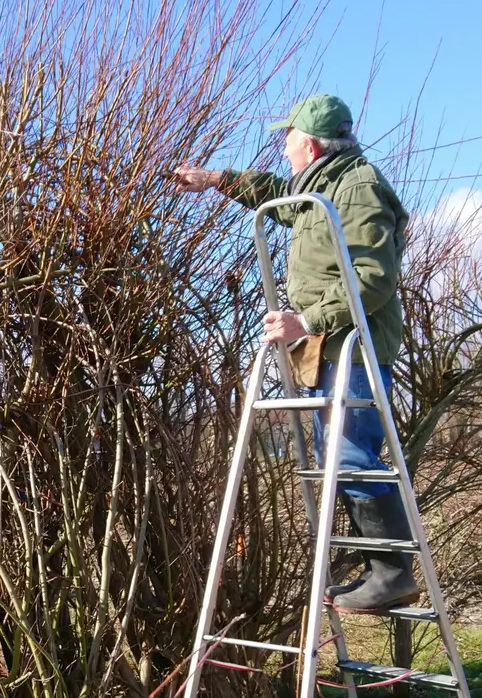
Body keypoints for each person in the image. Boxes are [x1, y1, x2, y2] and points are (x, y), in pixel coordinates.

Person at [174, 93, 416, 613]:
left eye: (287, 139)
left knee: (349, 457)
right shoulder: (326, 187)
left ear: (308, 143)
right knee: (338, 461)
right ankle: (370, 562)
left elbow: (372, 280)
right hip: (329, 347)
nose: (283, 148)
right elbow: (280, 195)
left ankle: (392, 572)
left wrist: (304, 320)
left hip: (355, 347)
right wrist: (216, 180)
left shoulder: (359, 189)